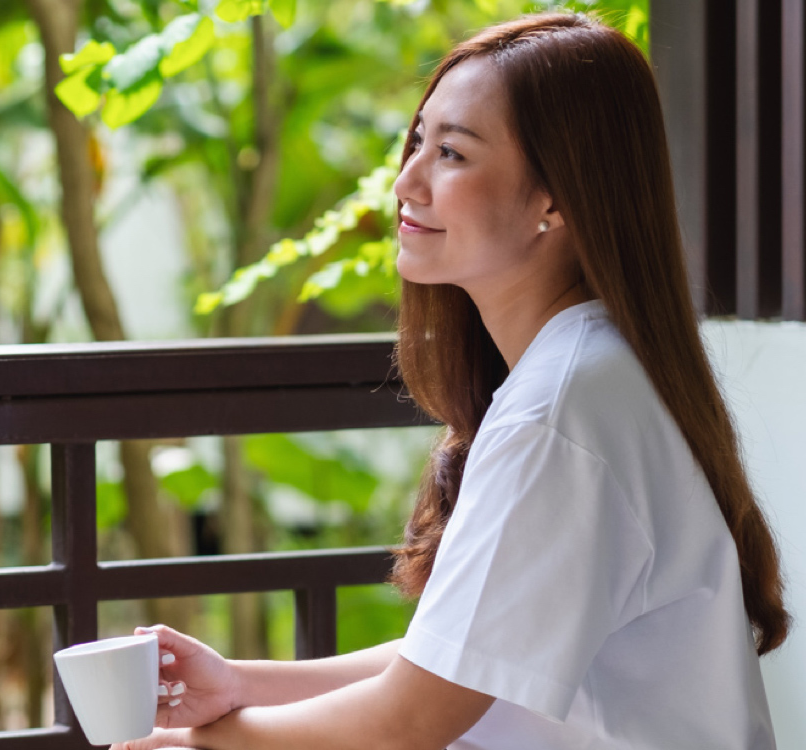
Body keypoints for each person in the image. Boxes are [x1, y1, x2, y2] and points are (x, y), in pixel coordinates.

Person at [113, 11, 789, 750]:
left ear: (556, 198)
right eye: (417, 143)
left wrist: (200, 742)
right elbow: (456, 664)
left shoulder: (561, 414)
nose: (407, 180)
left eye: (453, 154)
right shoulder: (591, 373)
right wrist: (243, 685)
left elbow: (407, 724)